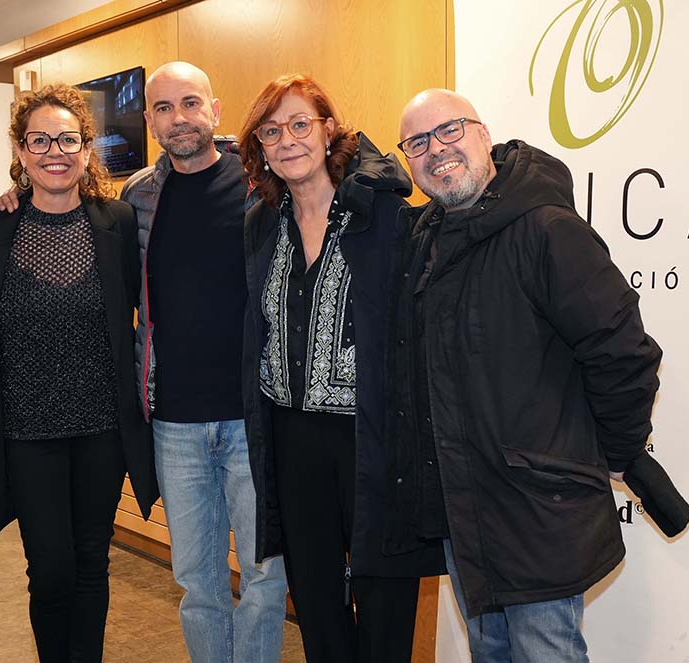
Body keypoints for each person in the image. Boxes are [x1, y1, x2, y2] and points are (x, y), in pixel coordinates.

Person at [389, 88, 663, 662]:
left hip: (539, 509)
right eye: (417, 142)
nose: (436, 149)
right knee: (489, 653)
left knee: (546, 653)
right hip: (465, 508)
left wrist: (613, 452)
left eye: (449, 130)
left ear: (484, 134)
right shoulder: (425, 243)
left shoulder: (547, 229)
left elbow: (623, 352)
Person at [238, 74, 434, 663]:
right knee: (317, 603)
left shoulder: (383, 216)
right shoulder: (260, 224)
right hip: (291, 438)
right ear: (261, 148)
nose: (288, 140)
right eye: (272, 131)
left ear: (328, 131)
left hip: (373, 437)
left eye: (300, 124)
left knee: (384, 604)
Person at [0, 84, 157, 662]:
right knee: (49, 569)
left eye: (68, 140)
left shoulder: (117, 222)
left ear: (86, 149)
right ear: (21, 151)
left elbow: (139, 310)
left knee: (91, 563)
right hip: (26, 433)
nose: (55, 152)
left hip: (101, 429)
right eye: (40, 140)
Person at [121, 62, 288, 663]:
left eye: (191, 103)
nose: (179, 119)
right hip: (174, 424)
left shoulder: (263, 183)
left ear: (216, 111)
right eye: (164, 108)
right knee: (197, 583)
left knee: (265, 575)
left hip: (253, 418)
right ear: (150, 122)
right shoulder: (139, 195)